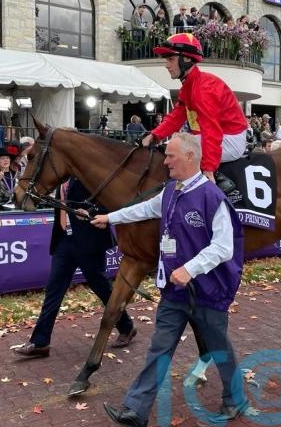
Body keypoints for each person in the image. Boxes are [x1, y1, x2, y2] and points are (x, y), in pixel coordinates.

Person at [94, 133, 248, 426]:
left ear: (189, 157)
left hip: (207, 292)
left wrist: (190, 268)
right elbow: (143, 209)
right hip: (174, 292)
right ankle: (135, 410)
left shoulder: (213, 197)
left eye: (170, 156)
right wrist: (110, 218)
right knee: (159, 349)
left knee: (219, 349)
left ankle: (236, 399)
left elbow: (224, 247)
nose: (165, 161)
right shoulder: (169, 192)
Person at [15, 176, 137, 358]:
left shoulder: (88, 173)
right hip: (64, 241)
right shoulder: (60, 177)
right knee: (53, 290)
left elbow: (111, 201)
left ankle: (126, 326)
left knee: (102, 288)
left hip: (88, 241)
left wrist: (91, 212)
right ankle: (40, 342)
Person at [143, 33, 248, 190]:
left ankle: (218, 179)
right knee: (174, 144)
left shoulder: (204, 88)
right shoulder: (188, 86)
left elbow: (211, 131)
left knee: (180, 148)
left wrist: (209, 169)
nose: (167, 65)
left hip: (231, 138)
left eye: (170, 59)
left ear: (186, 59)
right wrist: (154, 135)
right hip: (215, 135)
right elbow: (176, 117)